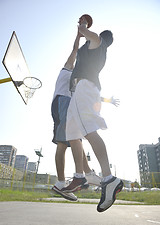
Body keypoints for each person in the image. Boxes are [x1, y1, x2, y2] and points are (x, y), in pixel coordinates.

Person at [62, 15, 123, 212]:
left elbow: (88, 34)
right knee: (72, 134)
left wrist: (84, 25)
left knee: (89, 130)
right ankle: (80, 176)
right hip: (80, 90)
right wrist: (80, 32)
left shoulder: (98, 42)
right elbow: (78, 42)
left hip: (85, 88)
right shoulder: (87, 48)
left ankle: (108, 178)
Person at [51, 25, 101, 201]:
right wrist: (80, 35)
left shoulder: (78, 80)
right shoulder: (67, 69)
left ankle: (84, 175)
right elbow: (75, 50)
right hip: (62, 101)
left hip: (68, 104)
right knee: (65, 143)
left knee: (74, 139)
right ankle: (64, 182)